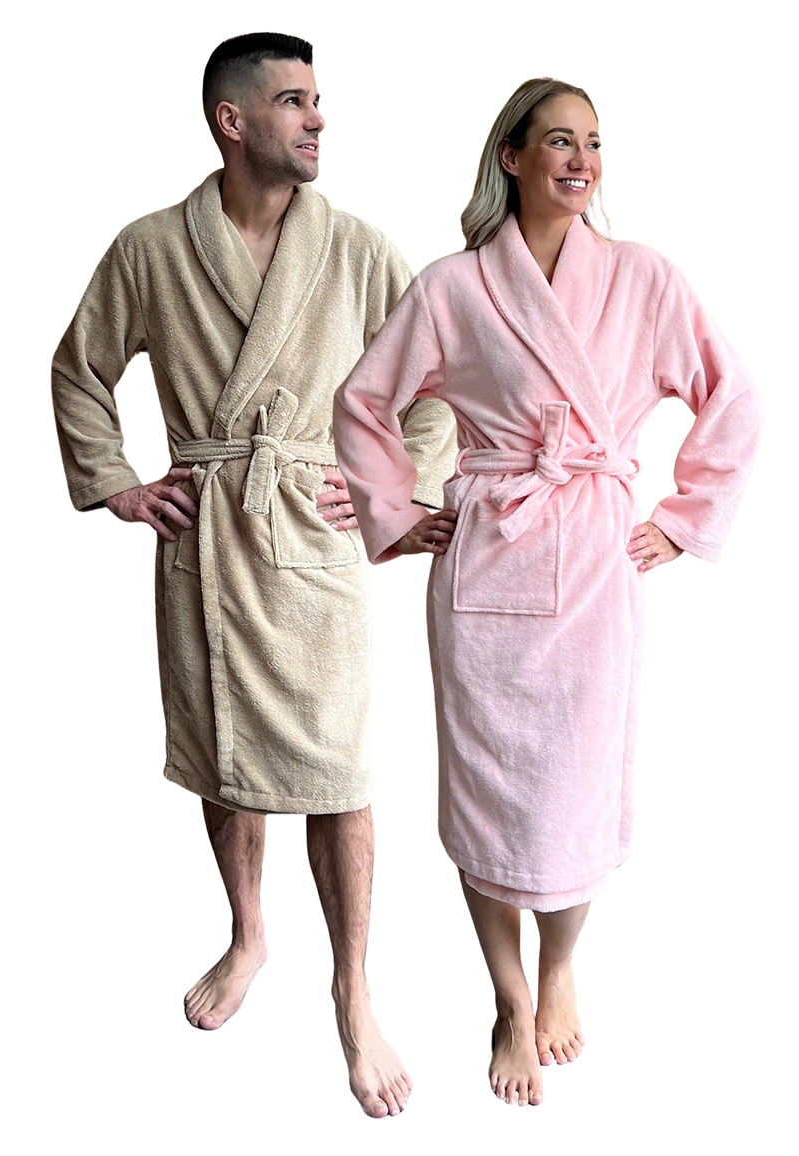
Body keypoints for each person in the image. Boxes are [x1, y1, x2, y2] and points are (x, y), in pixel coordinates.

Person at [333, 78, 763, 1108]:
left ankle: (561, 964)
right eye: (560, 141)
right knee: (488, 791)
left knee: (574, 788)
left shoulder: (643, 278)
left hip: (595, 571)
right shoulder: (453, 287)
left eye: (594, 143)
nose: (581, 160)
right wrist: (395, 514)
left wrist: (682, 518)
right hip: (487, 561)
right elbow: (362, 401)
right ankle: (509, 995)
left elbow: (733, 394)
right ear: (512, 157)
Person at [51, 32, 455, 1119]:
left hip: (311, 540)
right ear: (231, 122)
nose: (317, 118)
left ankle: (353, 989)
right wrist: (119, 483)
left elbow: (438, 385)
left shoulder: (357, 250)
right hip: (207, 542)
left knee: (338, 773)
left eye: (319, 100)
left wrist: (390, 491)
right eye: (292, 101)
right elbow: (80, 368)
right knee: (224, 757)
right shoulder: (150, 249)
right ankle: (248, 933)